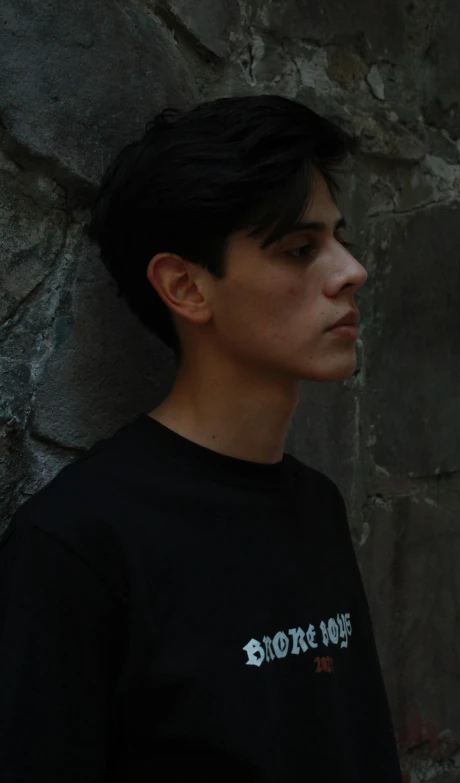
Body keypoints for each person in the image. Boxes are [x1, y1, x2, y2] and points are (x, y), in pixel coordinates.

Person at [0, 94, 402, 782]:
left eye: (341, 238)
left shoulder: (318, 506)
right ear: (186, 286)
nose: (350, 271)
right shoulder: (78, 546)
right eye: (302, 248)